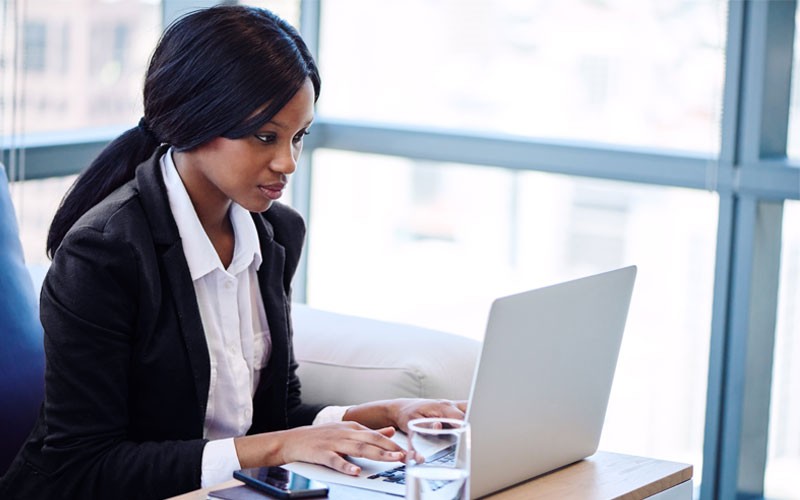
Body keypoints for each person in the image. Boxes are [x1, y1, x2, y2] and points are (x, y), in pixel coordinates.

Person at [0, 6, 466, 499]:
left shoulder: (277, 233)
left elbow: (272, 417)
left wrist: (377, 413)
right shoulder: (103, 254)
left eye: (299, 136)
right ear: (195, 121)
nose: (287, 162)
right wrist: (277, 447)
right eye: (266, 137)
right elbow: (85, 467)